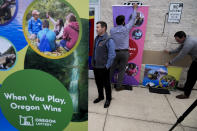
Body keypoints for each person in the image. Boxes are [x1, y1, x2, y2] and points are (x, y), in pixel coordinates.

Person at [110, 4, 138, 91]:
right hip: (124, 53)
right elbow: (133, 19)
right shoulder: (126, 28)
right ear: (123, 22)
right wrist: (135, 8)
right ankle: (118, 87)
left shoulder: (112, 30)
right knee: (122, 70)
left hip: (114, 52)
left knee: (112, 69)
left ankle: (107, 85)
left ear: (116, 22)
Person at [164, 31, 197, 99]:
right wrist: (170, 52)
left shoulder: (189, 43)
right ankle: (186, 89)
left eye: (178, 40)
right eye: (176, 40)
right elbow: (179, 48)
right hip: (195, 59)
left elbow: (181, 56)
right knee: (190, 74)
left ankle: (186, 94)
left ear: (183, 37)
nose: (178, 42)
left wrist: (169, 63)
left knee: (192, 77)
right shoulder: (186, 39)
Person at [91, 21, 116, 108]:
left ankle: (108, 99)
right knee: (98, 83)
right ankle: (101, 96)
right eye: (96, 27)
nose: (96, 29)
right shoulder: (96, 38)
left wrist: (107, 66)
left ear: (103, 28)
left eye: (98, 27)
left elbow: (112, 55)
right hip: (96, 66)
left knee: (106, 84)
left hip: (104, 67)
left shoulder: (109, 40)